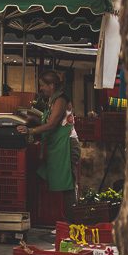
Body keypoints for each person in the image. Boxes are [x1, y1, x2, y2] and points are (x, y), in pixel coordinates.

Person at [18, 69, 79, 220]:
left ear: (51, 85)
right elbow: (47, 122)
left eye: (42, 85)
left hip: (66, 146)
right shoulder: (53, 99)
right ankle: (61, 221)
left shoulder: (61, 100)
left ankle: (72, 225)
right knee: (44, 175)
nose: (40, 89)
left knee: (68, 186)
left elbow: (52, 124)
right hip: (57, 147)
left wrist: (30, 130)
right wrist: (31, 118)